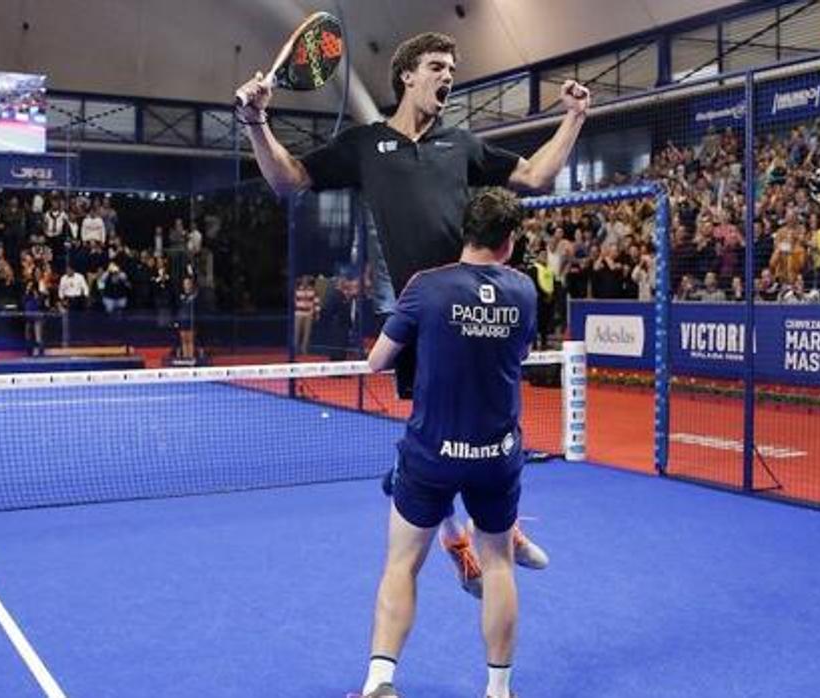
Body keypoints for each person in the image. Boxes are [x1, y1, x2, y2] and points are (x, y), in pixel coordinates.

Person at [236, 31, 579, 593]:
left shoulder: (462, 143)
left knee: (497, 420)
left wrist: (574, 118)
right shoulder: (365, 146)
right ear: (407, 76)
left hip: (478, 308)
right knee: (429, 434)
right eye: (438, 66)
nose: (448, 76)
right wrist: (256, 124)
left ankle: (502, 524)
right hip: (423, 316)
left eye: (451, 68)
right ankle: (457, 542)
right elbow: (287, 180)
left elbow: (536, 176)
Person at [355, 189, 535, 698]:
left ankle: (380, 684)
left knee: (401, 564)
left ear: (467, 231)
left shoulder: (425, 288)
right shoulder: (523, 291)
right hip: (497, 456)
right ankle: (499, 692)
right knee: (498, 564)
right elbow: (518, 351)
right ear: (509, 241)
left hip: (432, 453)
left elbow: (377, 361)